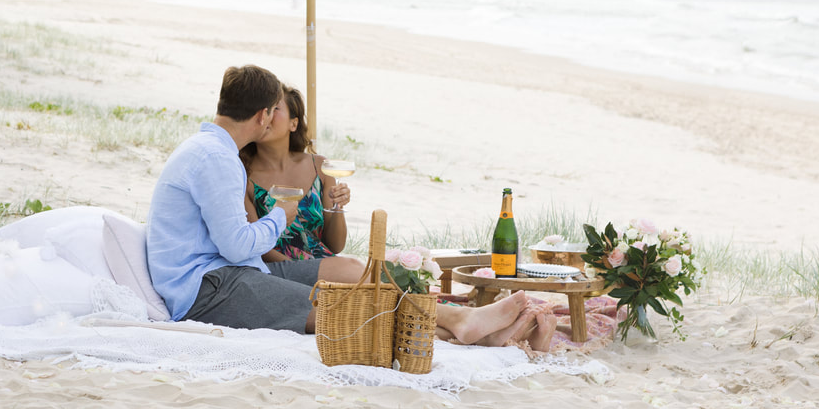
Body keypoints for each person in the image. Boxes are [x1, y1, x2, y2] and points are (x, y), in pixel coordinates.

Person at [145, 64, 555, 348]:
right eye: (272, 112)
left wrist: (324, 207)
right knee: (347, 310)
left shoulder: (211, 152)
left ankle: (471, 331)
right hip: (209, 289)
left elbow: (241, 247)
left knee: (352, 295)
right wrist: (280, 215)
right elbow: (237, 246)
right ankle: (462, 324)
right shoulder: (216, 160)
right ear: (263, 114)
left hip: (226, 276)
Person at [240, 85, 349, 262]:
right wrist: (304, 274)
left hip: (326, 270)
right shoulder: (244, 175)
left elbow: (335, 246)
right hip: (278, 272)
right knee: (354, 268)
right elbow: (256, 248)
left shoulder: (320, 167)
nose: (265, 115)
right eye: (262, 109)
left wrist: (338, 206)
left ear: (294, 123)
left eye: (275, 109)